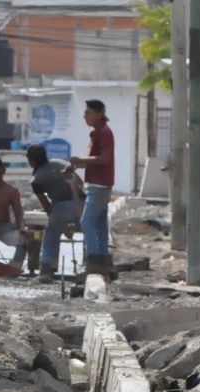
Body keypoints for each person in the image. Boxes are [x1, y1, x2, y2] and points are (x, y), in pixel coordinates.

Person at [69, 99, 114, 277]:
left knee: (86, 222)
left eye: (88, 112)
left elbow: (104, 159)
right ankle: (103, 261)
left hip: (99, 185)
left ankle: (93, 260)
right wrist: (74, 167)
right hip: (98, 182)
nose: (85, 116)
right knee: (100, 225)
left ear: (99, 114)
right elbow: (95, 162)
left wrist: (80, 160)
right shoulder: (98, 133)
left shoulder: (104, 133)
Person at [25, 143, 80, 283]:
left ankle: (44, 273)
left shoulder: (36, 179)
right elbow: (80, 182)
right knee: (91, 233)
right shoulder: (60, 162)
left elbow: (47, 205)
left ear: (32, 160)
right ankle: (93, 267)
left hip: (62, 207)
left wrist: (60, 224)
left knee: (50, 238)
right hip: (82, 202)